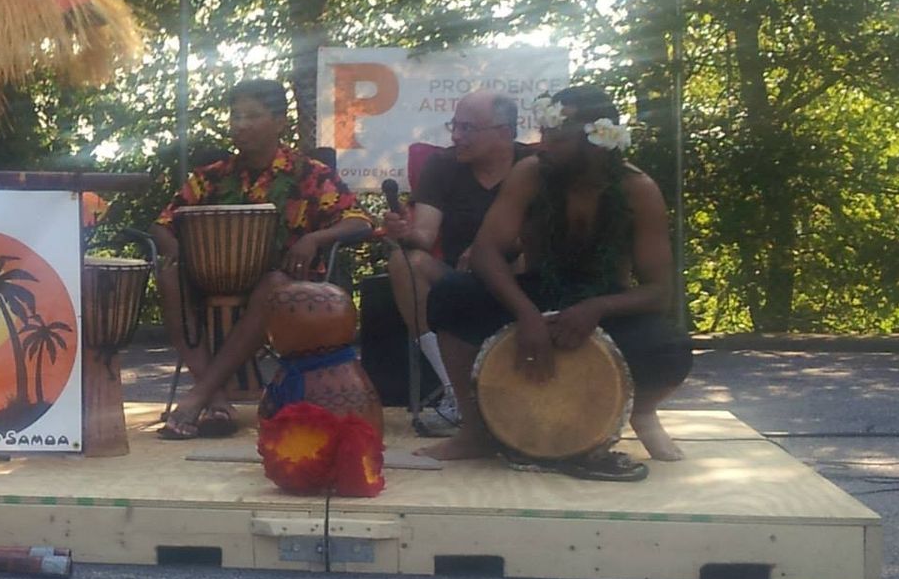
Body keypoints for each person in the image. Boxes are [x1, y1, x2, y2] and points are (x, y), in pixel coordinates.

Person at [420, 85, 691, 476]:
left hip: (605, 301)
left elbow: (659, 293)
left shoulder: (638, 190)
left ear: (597, 142)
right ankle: (476, 430)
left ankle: (641, 411)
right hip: (539, 290)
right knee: (451, 296)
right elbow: (486, 252)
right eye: (544, 135)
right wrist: (527, 315)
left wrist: (595, 309)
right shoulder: (531, 172)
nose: (542, 146)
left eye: (557, 139)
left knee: (671, 347)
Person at [152, 79, 371, 439]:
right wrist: (174, 249)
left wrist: (316, 238)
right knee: (169, 277)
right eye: (235, 116)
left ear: (280, 122)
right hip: (214, 280)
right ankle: (217, 399)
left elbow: (359, 220)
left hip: (285, 284)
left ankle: (200, 396)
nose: (240, 124)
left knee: (274, 285)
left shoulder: (310, 174)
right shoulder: (211, 177)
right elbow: (162, 223)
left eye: (252, 116)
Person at [382, 91, 528, 429]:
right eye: (454, 126)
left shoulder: (531, 167)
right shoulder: (443, 165)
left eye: (467, 128)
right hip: (456, 281)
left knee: (528, 260)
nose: (455, 137)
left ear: (504, 133)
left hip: (518, 276)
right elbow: (424, 237)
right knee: (405, 261)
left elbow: (547, 236)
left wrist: (490, 250)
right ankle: (456, 392)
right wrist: (404, 231)